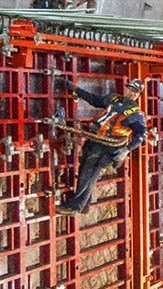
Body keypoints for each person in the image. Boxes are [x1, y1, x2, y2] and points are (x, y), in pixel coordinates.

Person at [58, 76, 146, 214]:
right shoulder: (114, 99)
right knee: (85, 170)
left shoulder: (136, 114)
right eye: (129, 89)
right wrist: (76, 90)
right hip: (96, 140)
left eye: (134, 91)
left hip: (108, 147)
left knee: (89, 174)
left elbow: (142, 134)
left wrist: (126, 150)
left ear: (138, 95)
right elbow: (95, 100)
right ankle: (84, 204)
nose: (130, 93)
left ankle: (75, 207)